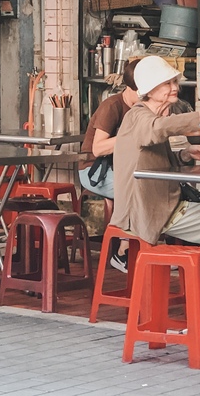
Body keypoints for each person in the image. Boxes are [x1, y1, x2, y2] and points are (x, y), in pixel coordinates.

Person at [111, 55, 200, 328]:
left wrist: (186, 154)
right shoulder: (139, 116)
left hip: (159, 203)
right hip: (145, 210)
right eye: (167, 83)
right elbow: (155, 131)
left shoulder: (149, 117)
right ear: (150, 88)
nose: (174, 87)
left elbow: (153, 153)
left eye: (174, 81)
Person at [78, 58, 139, 272]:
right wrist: (132, 136)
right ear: (132, 87)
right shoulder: (112, 106)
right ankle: (122, 251)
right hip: (94, 170)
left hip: (125, 170)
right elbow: (98, 149)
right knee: (135, 190)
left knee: (155, 187)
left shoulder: (143, 108)